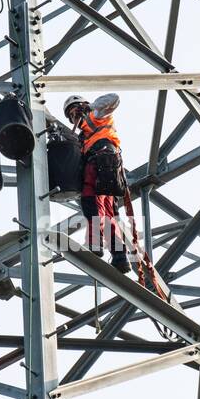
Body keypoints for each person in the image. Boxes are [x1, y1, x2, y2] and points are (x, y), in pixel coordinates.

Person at [64, 93, 130, 273]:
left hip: (102, 162)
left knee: (91, 204)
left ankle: (95, 245)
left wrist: (90, 107)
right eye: (70, 114)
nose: (74, 115)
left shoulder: (97, 115)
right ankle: (119, 257)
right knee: (108, 215)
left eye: (75, 110)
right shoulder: (82, 135)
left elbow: (114, 98)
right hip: (106, 167)